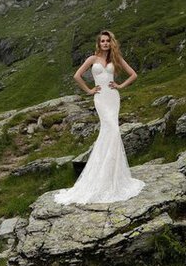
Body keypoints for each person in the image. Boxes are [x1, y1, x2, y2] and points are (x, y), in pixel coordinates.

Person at [53, 29, 146, 205]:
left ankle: (112, 174)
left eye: (107, 41)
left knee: (113, 131)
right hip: (100, 99)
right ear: (99, 43)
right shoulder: (92, 59)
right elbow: (77, 75)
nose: (105, 43)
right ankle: (102, 175)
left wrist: (120, 85)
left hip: (112, 97)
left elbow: (134, 74)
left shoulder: (115, 59)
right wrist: (89, 90)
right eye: (102, 41)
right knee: (109, 129)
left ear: (111, 43)